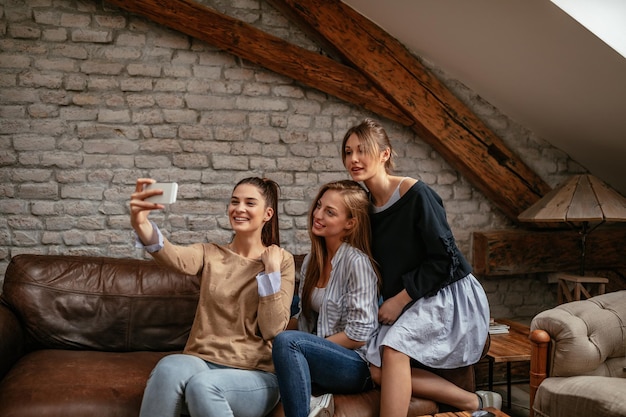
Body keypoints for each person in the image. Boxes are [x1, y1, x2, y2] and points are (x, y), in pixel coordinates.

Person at [340, 118, 501, 415]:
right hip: (408, 298)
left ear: (385, 154)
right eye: (348, 152)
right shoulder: (364, 207)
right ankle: (474, 402)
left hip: (446, 293)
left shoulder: (415, 194)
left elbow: (445, 260)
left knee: (394, 349)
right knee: (376, 370)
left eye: (362, 150)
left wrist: (399, 301)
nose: (353, 159)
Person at [130, 177, 295, 417]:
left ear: (267, 214)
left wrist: (271, 271)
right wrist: (140, 222)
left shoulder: (282, 261)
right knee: (168, 367)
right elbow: (173, 254)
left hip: (254, 373)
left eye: (250, 203)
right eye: (234, 202)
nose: (239, 209)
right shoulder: (210, 253)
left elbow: (272, 329)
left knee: (203, 386)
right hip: (202, 359)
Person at [272, 180, 380, 417]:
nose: (317, 214)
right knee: (280, 341)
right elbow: (302, 318)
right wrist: (268, 334)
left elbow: (359, 333)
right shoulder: (313, 260)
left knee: (289, 343)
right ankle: (313, 399)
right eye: (319, 206)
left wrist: (309, 346)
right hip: (318, 354)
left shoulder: (357, 263)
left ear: (350, 224)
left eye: (329, 212)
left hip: (355, 366)